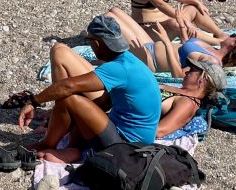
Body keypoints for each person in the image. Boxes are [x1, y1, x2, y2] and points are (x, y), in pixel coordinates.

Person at [18, 15, 161, 164]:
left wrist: (33, 101)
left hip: (126, 147)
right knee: (78, 104)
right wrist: (66, 116)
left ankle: (46, 145)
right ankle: (73, 148)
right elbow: (105, 102)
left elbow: (67, 86)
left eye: (90, 41)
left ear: (96, 43)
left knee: (69, 99)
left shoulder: (118, 68)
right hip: (135, 142)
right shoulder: (129, 61)